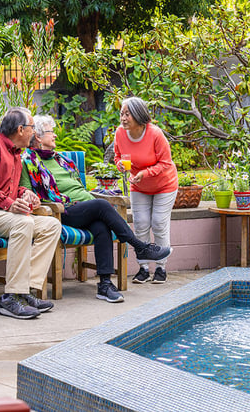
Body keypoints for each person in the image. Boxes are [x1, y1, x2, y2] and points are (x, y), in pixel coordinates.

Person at [20, 115, 172, 303]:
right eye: (52, 132)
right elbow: (26, 190)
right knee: (101, 205)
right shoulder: (28, 162)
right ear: (39, 137)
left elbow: (78, 187)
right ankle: (139, 247)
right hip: (63, 211)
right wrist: (29, 196)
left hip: (85, 207)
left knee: (101, 226)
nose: (56, 136)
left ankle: (105, 285)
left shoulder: (60, 159)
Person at [0, 107, 60, 320]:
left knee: (52, 225)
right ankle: (11, 298)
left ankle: (26, 291)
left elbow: (10, 189)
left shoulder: (16, 154)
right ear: (20, 129)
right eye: (32, 128)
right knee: (24, 223)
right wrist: (9, 204)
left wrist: (25, 194)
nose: (35, 133)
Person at [113, 97, 178, 284]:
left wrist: (146, 173)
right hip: (138, 184)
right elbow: (118, 156)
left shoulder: (155, 134)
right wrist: (120, 165)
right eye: (121, 114)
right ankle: (143, 268)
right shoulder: (120, 133)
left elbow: (166, 163)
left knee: (158, 223)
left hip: (164, 185)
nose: (123, 118)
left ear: (138, 115)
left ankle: (161, 268)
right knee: (140, 223)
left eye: (127, 114)